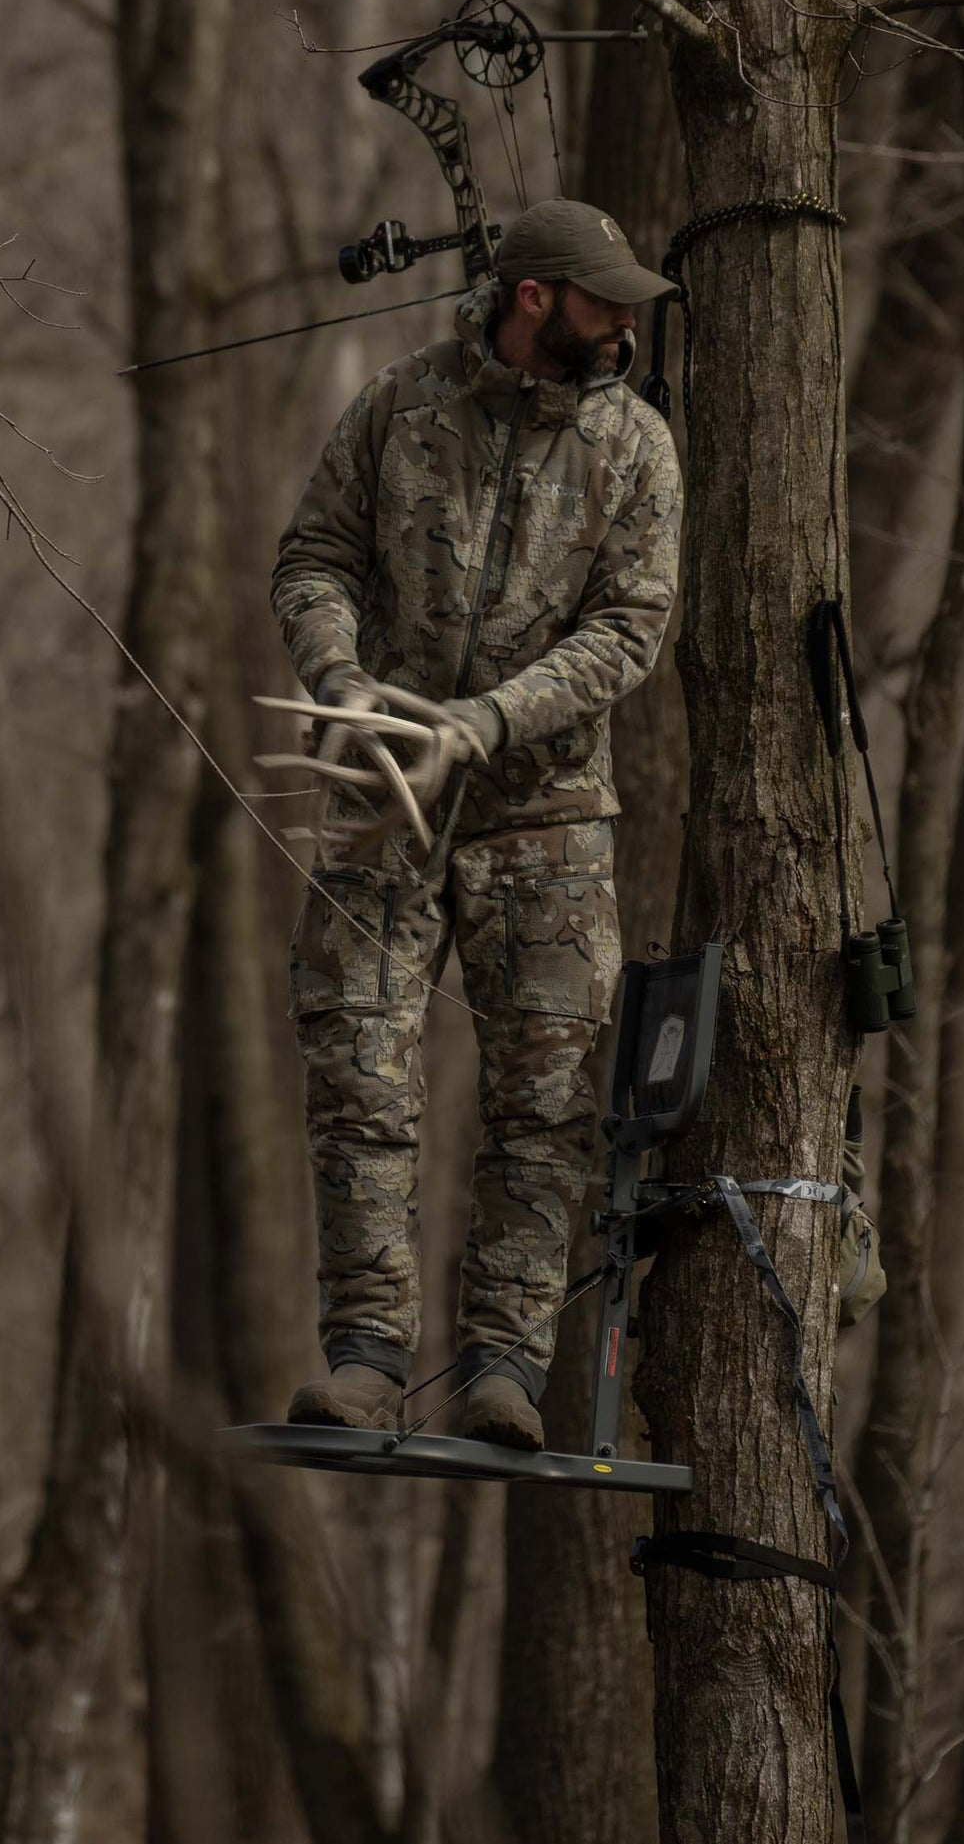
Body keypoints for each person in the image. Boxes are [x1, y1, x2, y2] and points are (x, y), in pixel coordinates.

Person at [270, 197, 682, 1450]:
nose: (622, 325)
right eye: (601, 300)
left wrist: (488, 721)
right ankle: (365, 1356)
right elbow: (314, 557)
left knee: (544, 1103)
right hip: (383, 802)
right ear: (532, 298)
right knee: (357, 1075)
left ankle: (503, 1367)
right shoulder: (400, 405)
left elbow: (629, 630)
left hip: (544, 821)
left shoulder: (636, 447)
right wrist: (340, 679)